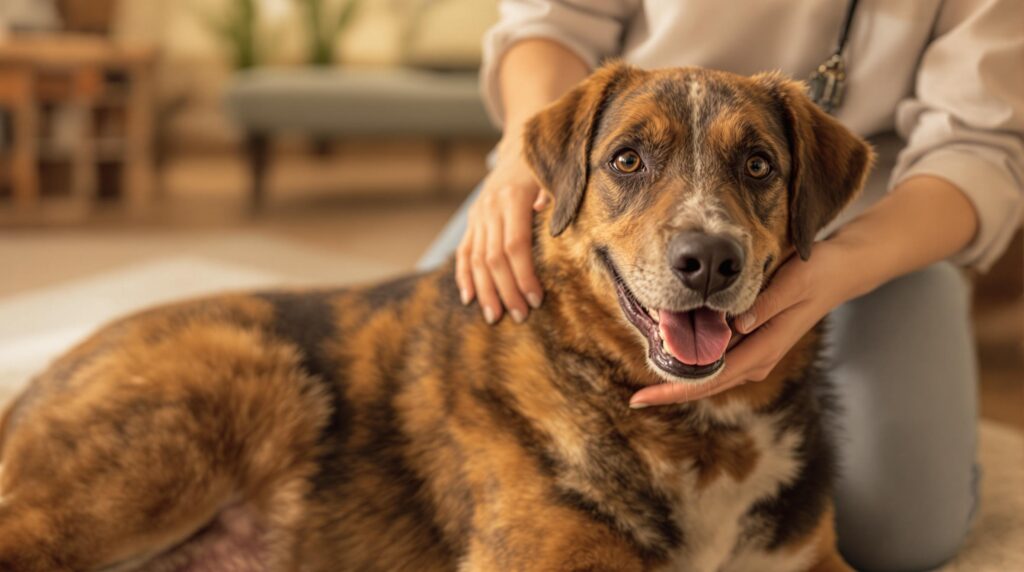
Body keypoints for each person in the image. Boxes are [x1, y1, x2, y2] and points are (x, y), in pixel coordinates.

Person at [417, 1, 1024, 570]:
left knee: (904, 532)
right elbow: (555, 18)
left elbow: (978, 146)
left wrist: (840, 262)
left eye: (756, 164)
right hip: (581, 159)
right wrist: (521, 158)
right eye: (633, 159)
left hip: (885, 218)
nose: (701, 244)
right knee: (437, 376)